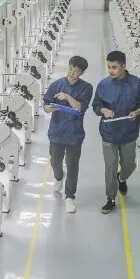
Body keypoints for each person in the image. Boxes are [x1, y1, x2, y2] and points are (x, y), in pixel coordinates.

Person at [92, 50, 140, 213]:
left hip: (128, 133)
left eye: (114, 67)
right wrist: (103, 110)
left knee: (129, 164)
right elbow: (96, 104)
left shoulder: (137, 83)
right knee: (110, 167)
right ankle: (110, 198)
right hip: (109, 132)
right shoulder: (104, 84)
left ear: (124, 66)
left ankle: (123, 177)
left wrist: (137, 112)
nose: (110, 70)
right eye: (109, 67)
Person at [42, 55, 93, 213]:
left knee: (72, 166)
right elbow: (45, 105)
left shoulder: (87, 88)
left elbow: (80, 108)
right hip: (57, 131)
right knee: (55, 161)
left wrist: (67, 97)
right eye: (70, 68)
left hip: (74, 133)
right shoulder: (56, 84)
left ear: (82, 73)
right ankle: (58, 177)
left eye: (76, 71)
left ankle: (70, 197)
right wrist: (49, 109)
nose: (72, 72)